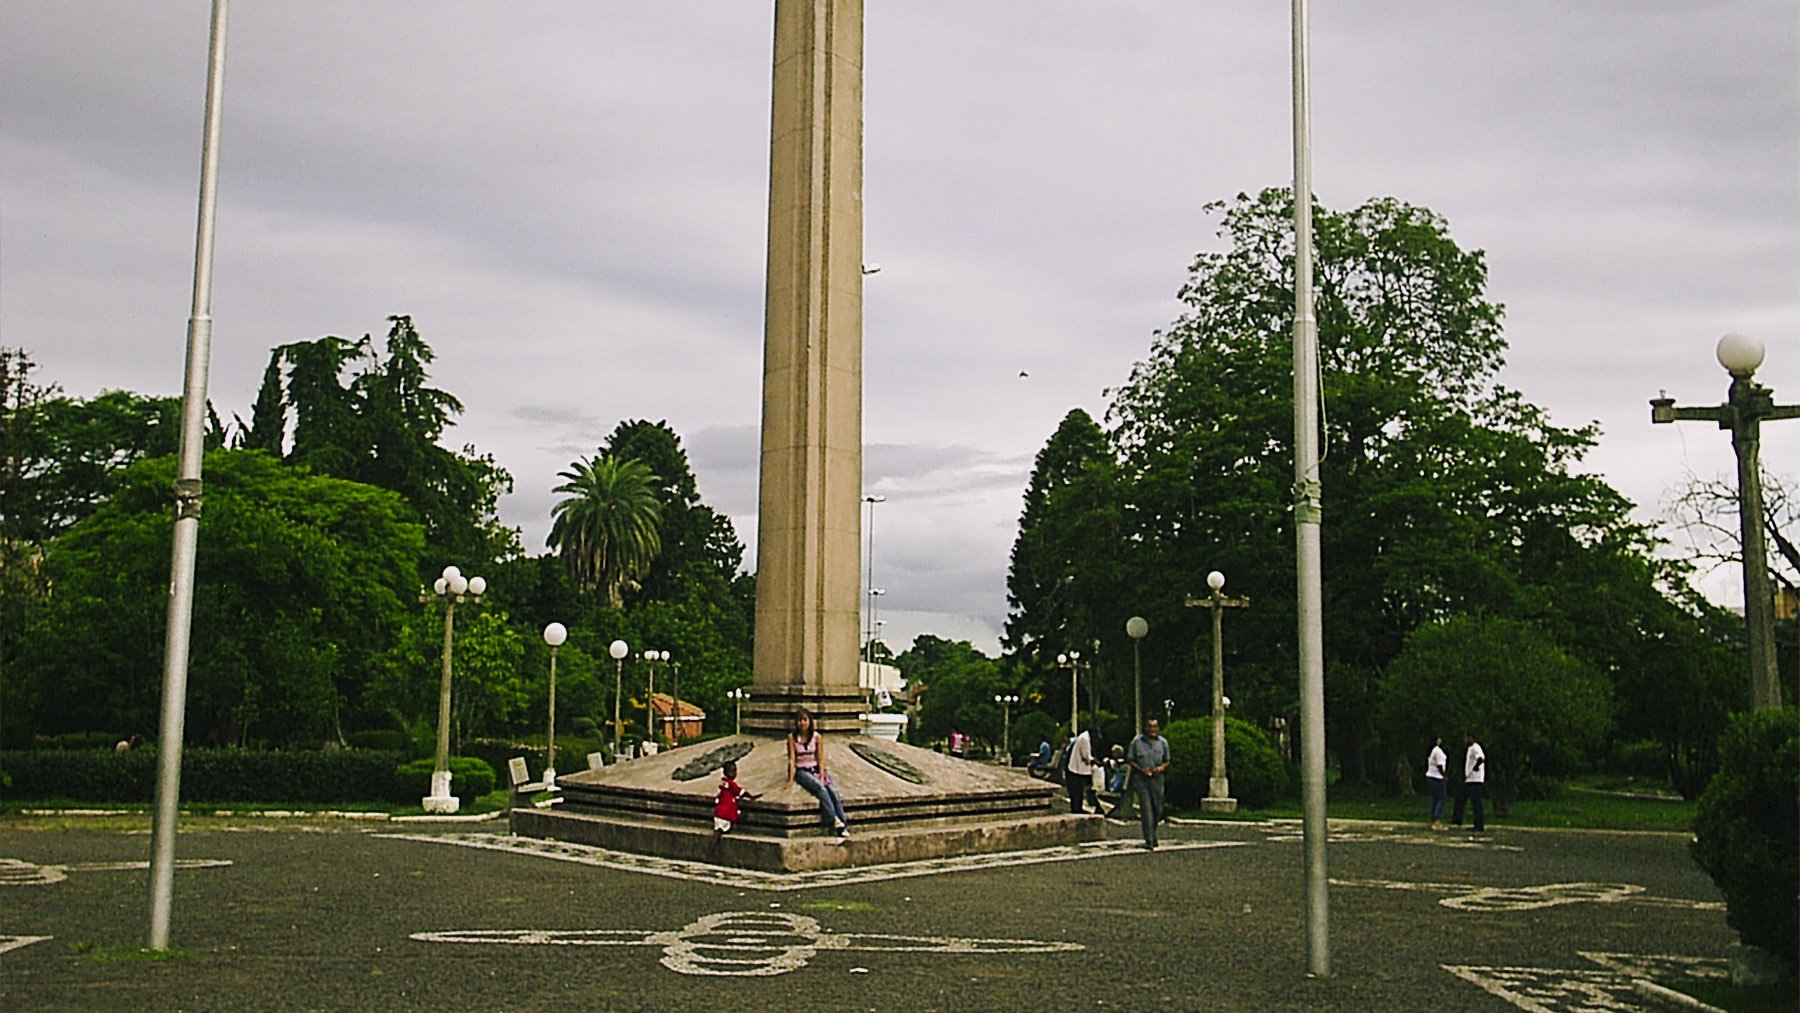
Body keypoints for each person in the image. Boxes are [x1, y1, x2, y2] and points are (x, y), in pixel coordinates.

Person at [786, 707, 849, 839]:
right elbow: (792, 759)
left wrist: (822, 774)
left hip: (815, 768)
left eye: (804, 720)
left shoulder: (817, 737)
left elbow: (820, 758)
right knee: (820, 789)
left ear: (809, 721)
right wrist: (790, 779)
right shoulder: (792, 738)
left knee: (833, 792)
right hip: (802, 770)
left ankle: (843, 824)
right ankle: (834, 820)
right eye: (799, 720)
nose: (802, 723)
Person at [1127, 718, 1171, 848]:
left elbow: (1167, 760)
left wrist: (1161, 768)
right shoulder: (1136, 742)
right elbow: (1130, 759)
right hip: (1142, 779)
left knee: (1157, 808)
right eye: (1150, 727)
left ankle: (1153, 833)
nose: (1152, 729)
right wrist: (1141, 769)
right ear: (1145, 728)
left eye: (1155, 726)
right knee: (1146, 810)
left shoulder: (1163, 743)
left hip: (1157, 779)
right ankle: (1149, 839)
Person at [712, 759, 759, 840]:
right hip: (726, 812)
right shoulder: (731, 784)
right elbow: (740, 791)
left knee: (717, 833)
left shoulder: (723, 782)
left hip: (719, 811)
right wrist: (751, 796)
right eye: (733, 771)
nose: (734, 773)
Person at [1452, 731, 1486, 832]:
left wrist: (1475, 767)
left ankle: (1479, 824)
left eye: (1466, 738)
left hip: (1475, 779)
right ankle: (1457, 820)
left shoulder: (1476, 747)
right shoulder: (1470, 749)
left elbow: (1480, 758)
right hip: (1469, 779)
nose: (1465, 740)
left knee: (1476, 803)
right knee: (1461, 798)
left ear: (1471, 738)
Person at [1065, 724, 1095, 814]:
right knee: (1077, 790)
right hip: (1076, 769)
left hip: (1077, 768)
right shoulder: (1084, 739)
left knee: (1078, 790)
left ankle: (1077, 807)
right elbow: (1086, 756)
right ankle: (1076, 808)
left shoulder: (1084, 737)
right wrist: (1094, 761)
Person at [1426, 735, 1449, 831]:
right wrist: (1444, 775)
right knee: (1441, 798)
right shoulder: (1438, 751)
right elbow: (1440, 765)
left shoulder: (1433, 750)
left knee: (1436, 799)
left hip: (1432, 776)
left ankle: (1434, 819)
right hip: (1437, 777)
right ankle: (1437, 820)